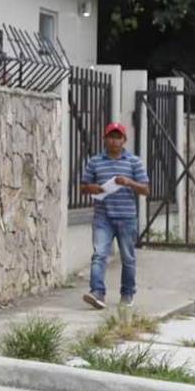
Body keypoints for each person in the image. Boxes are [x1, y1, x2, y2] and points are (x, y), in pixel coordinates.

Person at [79, 122, 150, 309]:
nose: (114, 140)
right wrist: (91, 188)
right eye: (111, 136)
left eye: (118, 137)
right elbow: (83, 187)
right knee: (99, 255)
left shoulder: (133, 161)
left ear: (124, 140)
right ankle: (97, 293)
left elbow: (146, 189)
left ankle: (127, 294)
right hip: (103, 217)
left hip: (126, 216)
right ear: (105, 139)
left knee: (128, 257)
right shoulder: (95, 162)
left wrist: (129, 182)